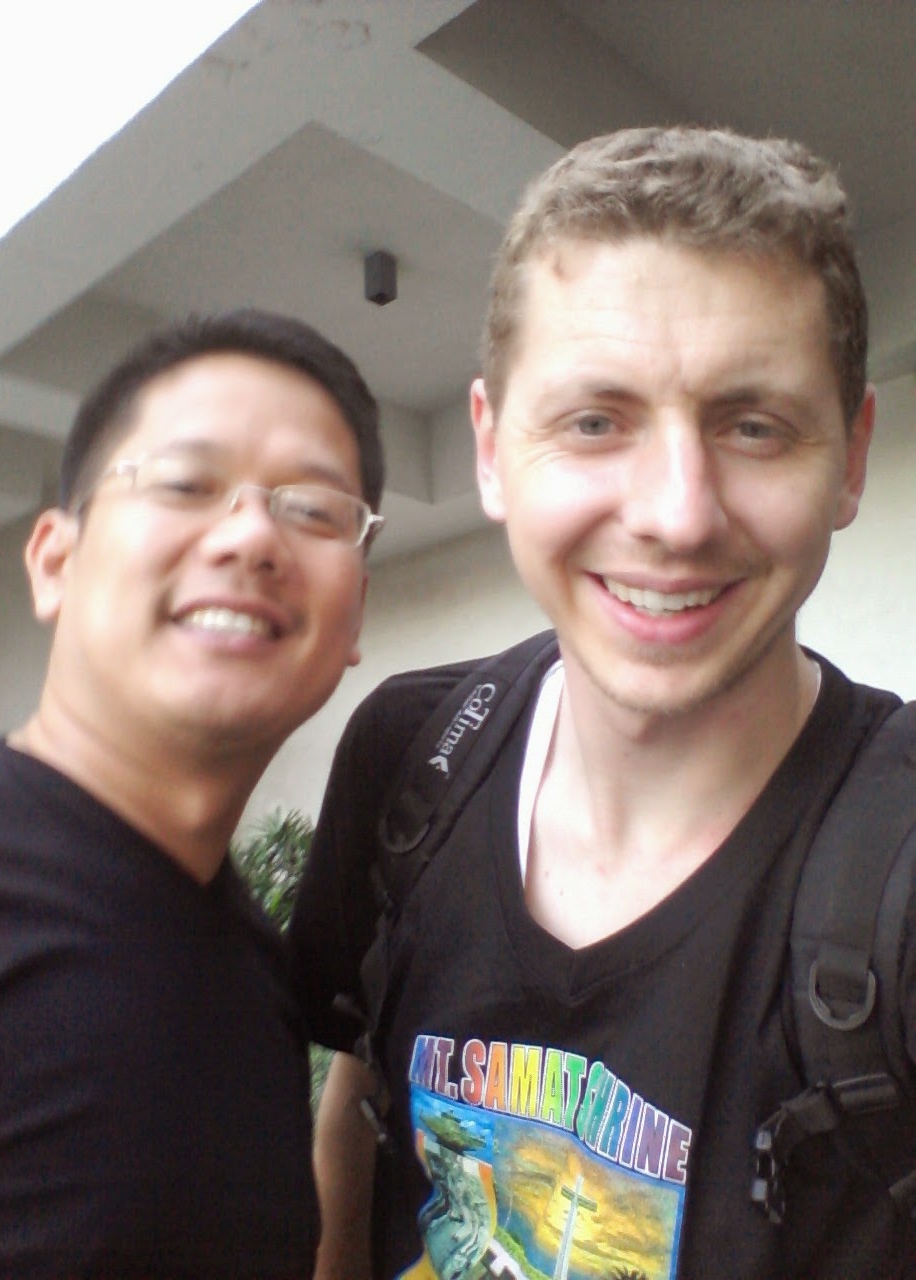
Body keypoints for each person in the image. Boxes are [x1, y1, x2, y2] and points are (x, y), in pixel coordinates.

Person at [288, 126, 915, 1279]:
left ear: (851, 454)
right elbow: (359, 1098)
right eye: (594, 421)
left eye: (753, 424)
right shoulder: (409, 760)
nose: (676, 514)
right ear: (490, 449)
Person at [0, 308, 384, 1278]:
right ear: (54, 562)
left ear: (355, 612)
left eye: (315, 510)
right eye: (187, 483)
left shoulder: (261, 977)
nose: (253, 535)